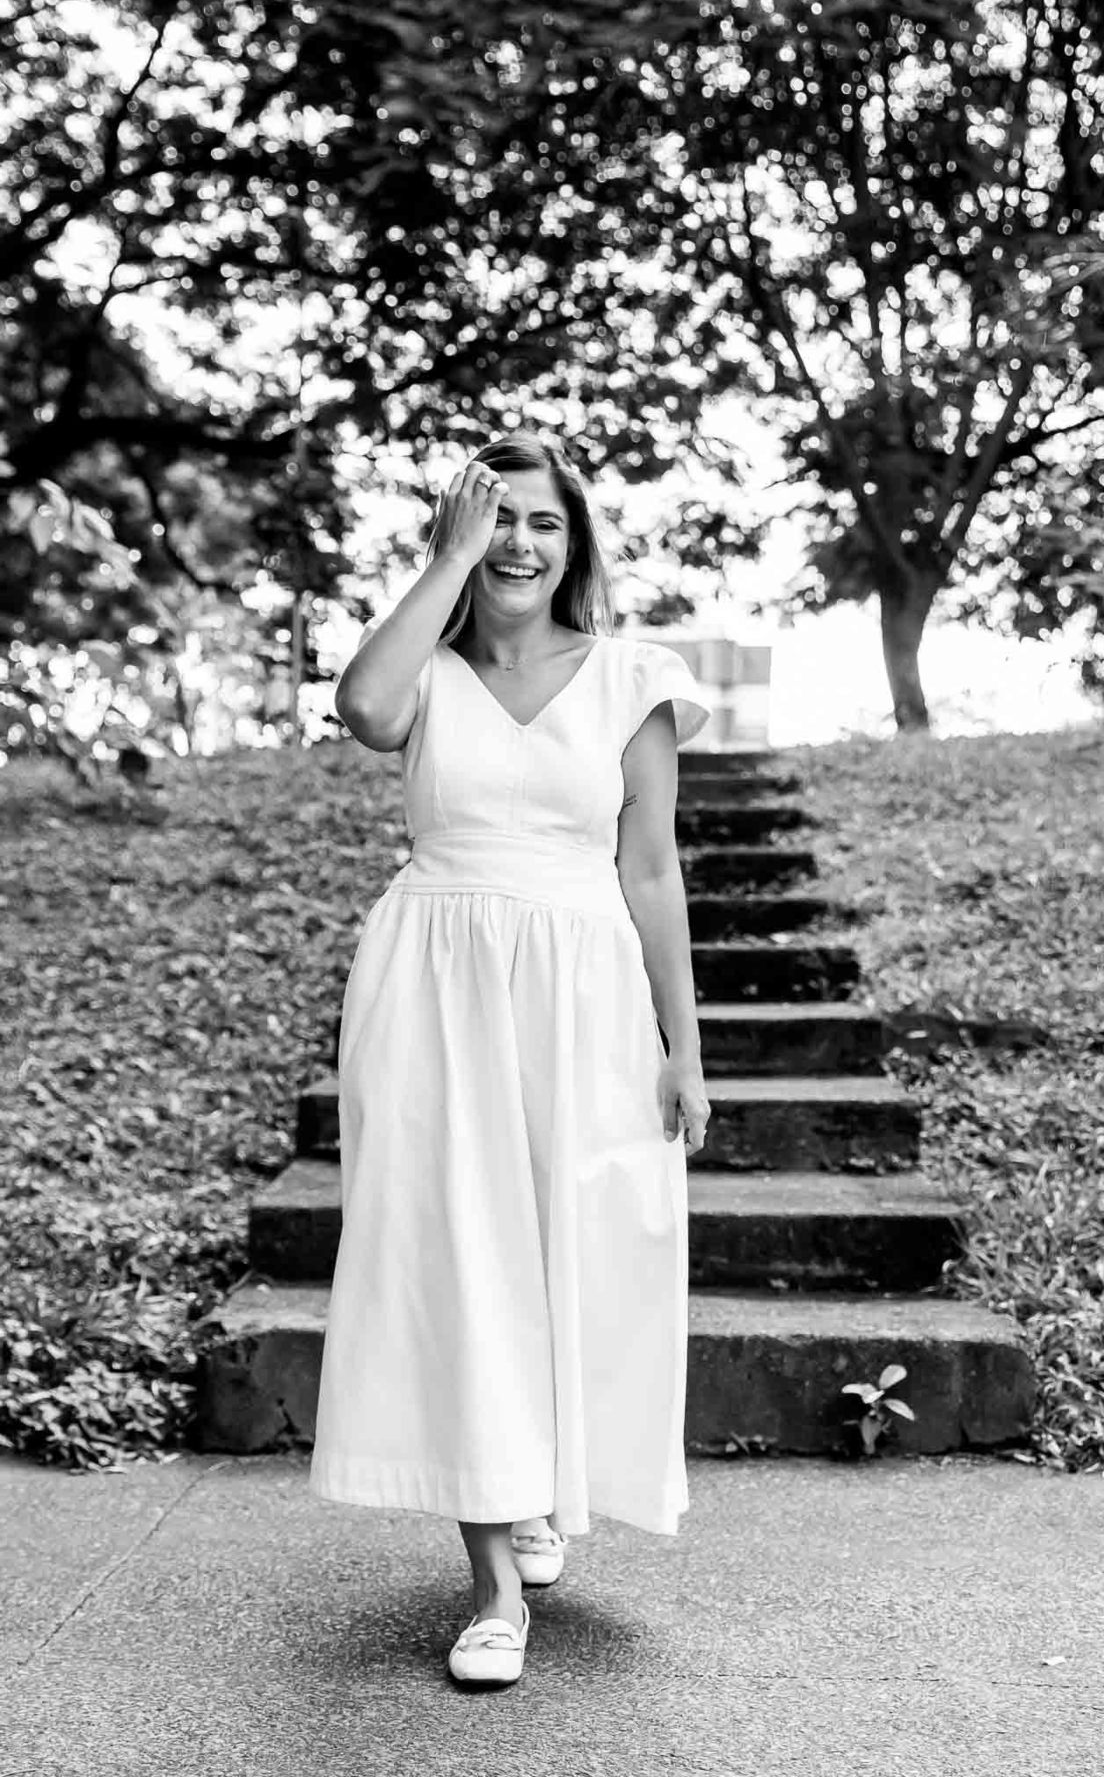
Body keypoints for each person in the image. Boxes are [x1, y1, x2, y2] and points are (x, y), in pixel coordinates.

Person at [308, 432, 712, 1687]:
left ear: (574, 542)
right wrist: (449, 560)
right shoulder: (425, 674)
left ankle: (538, 1484)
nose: (520, 544)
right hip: (432, 986)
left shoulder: (633, 677)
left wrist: (683, 1047)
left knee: (575, 1250)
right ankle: (493, 1588)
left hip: (584, 990)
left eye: (542, 521)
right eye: (498, 521)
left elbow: (652, 870)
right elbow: (362, 711)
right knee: (459, 1256)